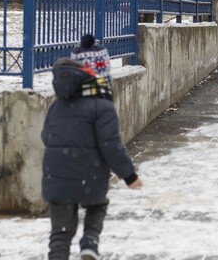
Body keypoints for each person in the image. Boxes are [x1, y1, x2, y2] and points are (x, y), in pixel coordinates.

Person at [41, 58, 143, 260]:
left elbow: (45, 136)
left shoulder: (56, 106)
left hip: (56, 177)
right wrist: (129, 176)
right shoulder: (102, 107)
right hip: (90, 174)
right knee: (97, 205)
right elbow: (111, 145)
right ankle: (90, 241)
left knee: (60, 233)